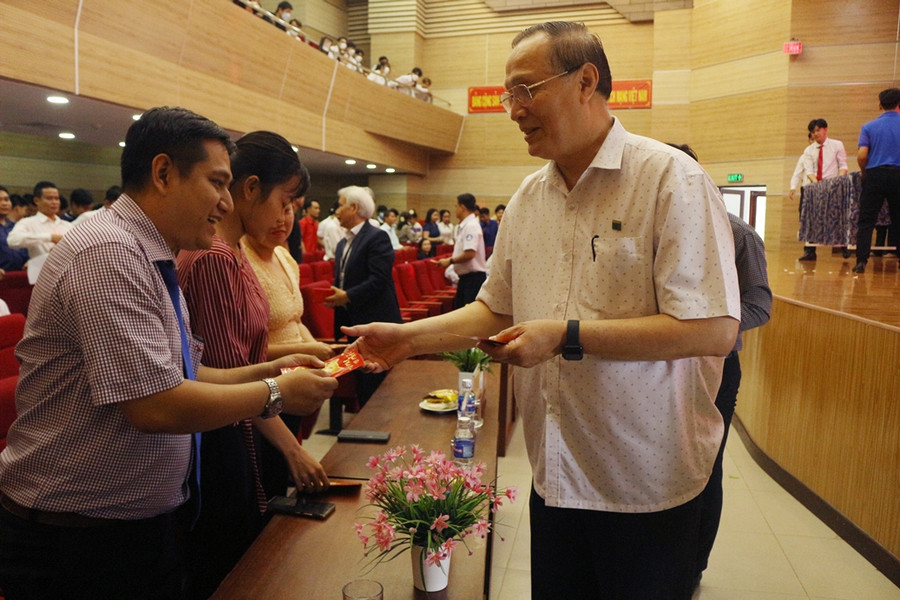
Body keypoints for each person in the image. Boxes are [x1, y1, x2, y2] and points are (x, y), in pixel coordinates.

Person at [347, 22, 739, 600]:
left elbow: (712, 328)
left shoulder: (668, 180)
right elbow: (491, 308)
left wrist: (565, 336)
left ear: (587, 81)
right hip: (555, 470)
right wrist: (406, 338)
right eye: (509, 95)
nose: (513, 110)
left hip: (643, 476)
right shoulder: (531, 197)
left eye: (526, 90)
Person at [0, 107, 337, 599]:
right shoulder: (109, 252)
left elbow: (184, 371)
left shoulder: (149, 250)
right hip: (77, 535)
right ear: (163, 174)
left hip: (127, 526)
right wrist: (275, 391)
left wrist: (269, 368)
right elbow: (154, 405)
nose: (227, 203)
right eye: (218, 183)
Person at [176, 131, 331, 598]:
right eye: (284, 202)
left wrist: (292, 356)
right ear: (249, 189)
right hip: (224, 437)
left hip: (236, 420)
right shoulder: (216, 258)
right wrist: (290, 442)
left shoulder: (235, 252)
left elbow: (237, 357)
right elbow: (222, 386)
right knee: (235, 566)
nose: (288, 216)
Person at [668, 143, 772, 589]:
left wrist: (712, 334)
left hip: (716, 369)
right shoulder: (659, 229)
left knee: (704, 466)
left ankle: (694, 566)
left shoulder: (738, 234)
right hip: (661, 370)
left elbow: (760, 304)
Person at [326, 186, 402, 404]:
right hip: (352, 319)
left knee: (373, 383)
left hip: (374, 319)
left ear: (354, 207)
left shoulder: (377, 237)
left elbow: (379, 279)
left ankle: (376, 426)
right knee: (359, 380)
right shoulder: (342, 243)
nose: (337, 210)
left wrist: (347, 295)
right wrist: (336, 295)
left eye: (340, 205)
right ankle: (361, 423)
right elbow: (344, 276)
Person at [852, 87, 900, 274]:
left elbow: (862, 155)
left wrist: (865, 172)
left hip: (875, 175)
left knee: (866, 220)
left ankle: (861, 261)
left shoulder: (869, 127)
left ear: (880, 105)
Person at [795, 118, 848, 261]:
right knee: (809, 219)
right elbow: (809, 170)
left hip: (834, 186)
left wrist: (837, 182)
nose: (815, 134)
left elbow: (843, 166)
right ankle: (809, 251)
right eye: (813, 132)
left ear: (825, 129)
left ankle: (844, 246)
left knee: (837, 216)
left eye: (818, 130)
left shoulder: (837, 145)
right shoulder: (808, 150)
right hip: (814, 187)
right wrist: (818, 185)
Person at [434, 193, 486, 309]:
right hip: (467, 279)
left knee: (469, 318)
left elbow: (470, 253)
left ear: (462, 207)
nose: (455, 209)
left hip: (472, 279)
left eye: (456, 206)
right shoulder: (466, 225)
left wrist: (450, 261)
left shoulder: (471, 226)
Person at [7, 180, 73, 262]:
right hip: (41, 271)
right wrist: (49, 237)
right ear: (36, 201)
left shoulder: (67, 225)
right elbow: (12, 241)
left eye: (56, 198)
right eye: (49, 198)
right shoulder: (27, 222)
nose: (54, 202)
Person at [0, 186, 29, 272]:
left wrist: (29, 261)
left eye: (6, 199)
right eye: (0, 200)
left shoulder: (18, 226)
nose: (4, 203)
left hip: (19, 276)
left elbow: (27, 249)